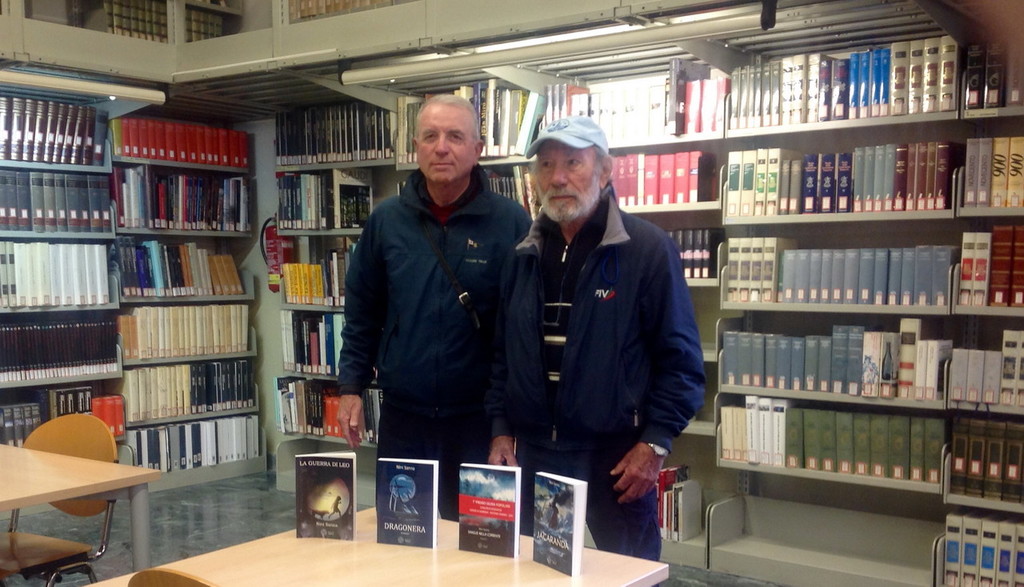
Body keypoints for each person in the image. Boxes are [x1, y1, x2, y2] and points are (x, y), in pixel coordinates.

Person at [485, 116, 706, 561]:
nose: (558, 178)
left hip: (616, 458)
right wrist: (500, 430)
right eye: (546, 165)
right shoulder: (523, 255)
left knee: (628, 573)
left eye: (573, 162)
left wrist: (655, 444)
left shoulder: (646, 249)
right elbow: (503, 356)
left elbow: (681, 362)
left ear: (605, 171)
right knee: (536, 573)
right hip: (535, 454)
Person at [336, 94, 532, 521]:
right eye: (430, 136)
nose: (442, 147)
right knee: (403, 535)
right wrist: (351, 387)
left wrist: (505, 426)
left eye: (455, 137)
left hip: (478, 422)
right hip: (404, 419)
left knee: (480, 539)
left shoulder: (511, 223)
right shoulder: (386, 221)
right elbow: (362, 311)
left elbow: (519, 333)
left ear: (477, 150)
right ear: (416, 147)